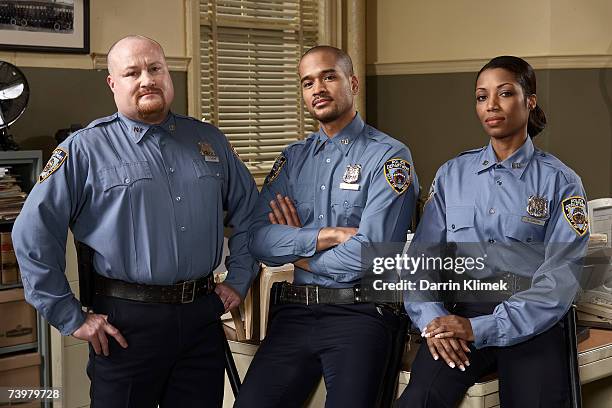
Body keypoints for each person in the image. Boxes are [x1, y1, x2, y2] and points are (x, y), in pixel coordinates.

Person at [12, 35, 259, 408]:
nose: (147, 79)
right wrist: (70, 315)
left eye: (155, 68)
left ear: (168, 73)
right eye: (132, 72)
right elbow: (32, 233)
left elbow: (251, 215)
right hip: (126, 325)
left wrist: (239, 279)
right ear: (113, 83)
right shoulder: (84, 148)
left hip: (202, 318)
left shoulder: (208, 141)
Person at [233, 45, 419, 408]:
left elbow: (371, 253)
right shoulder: (293, 159)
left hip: (361, 314)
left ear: (352, 83)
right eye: (307, 82)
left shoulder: (388, 156)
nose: (317, 88)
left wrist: (297, 253)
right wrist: (325, 237)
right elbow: (257, 237)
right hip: (294, 314)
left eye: (328, 77)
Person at [398, 56, 589, 407]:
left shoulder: (561, 182)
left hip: (535, 321)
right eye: (481, 96)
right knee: (420, 399)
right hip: (462, 314)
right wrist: (433, 320)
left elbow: (560, 279)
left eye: (504, 93)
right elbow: (420, 263)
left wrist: (481, 329)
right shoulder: (452, 175)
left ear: (529, 101)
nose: (492, 105)